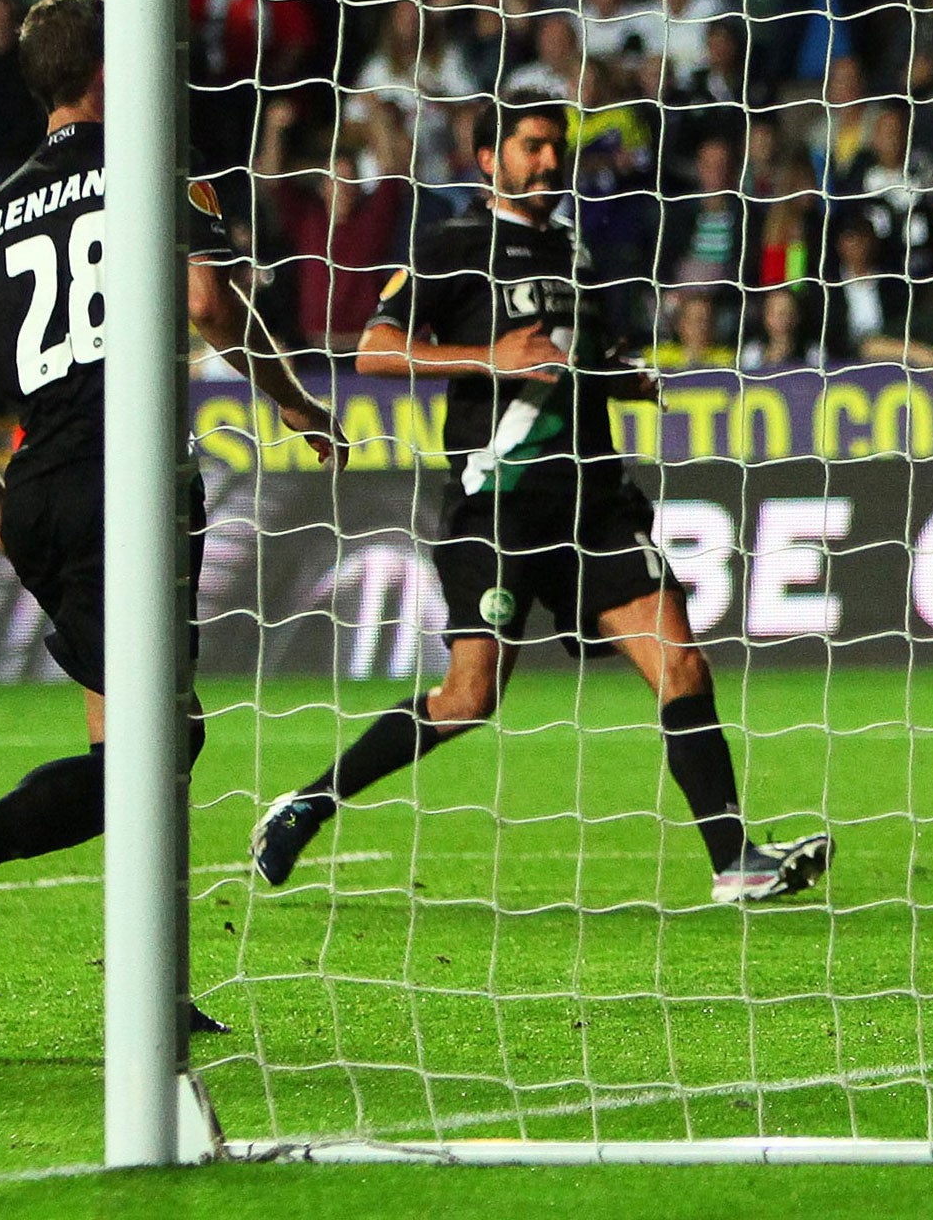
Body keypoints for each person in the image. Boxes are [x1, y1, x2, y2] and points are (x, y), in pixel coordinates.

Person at [0, 0, 343, 1015]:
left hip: (44, 489)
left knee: (132, 741)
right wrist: (300, 405)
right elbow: (209, 302)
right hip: (128, 489)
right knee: (160, 749)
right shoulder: (151, 178)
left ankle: (153, 989)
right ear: (105, 73)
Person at [250, 101, 831, 905]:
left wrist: (618, 376)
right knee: (469, 698)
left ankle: (734, 860)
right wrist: (488, 356)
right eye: (531, 147)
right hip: (502, 502)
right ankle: (308, 802)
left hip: (595, 500)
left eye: (555, 148)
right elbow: (375, 351)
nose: (548, 162)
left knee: (683, 664)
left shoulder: (573, 250)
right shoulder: (456, 243)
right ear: (489, 157)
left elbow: (568, 359)